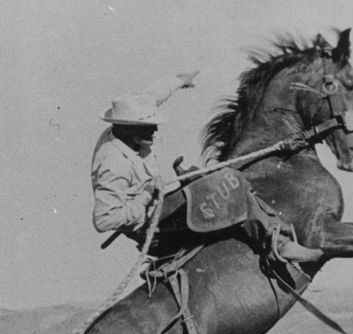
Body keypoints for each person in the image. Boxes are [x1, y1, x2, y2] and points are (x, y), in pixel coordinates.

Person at [91, 73, 324, 264]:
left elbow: (153, 95)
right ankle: (277, 244)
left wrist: (180, 80)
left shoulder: (128, 117)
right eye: (146, 127)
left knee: (215, 178)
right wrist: (143, 197)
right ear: (128, 128)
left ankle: (269, 225)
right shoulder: (112, 165)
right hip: (153, 226)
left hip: (159, 201)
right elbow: (104, 220)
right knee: (223, 188)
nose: (154, 131)